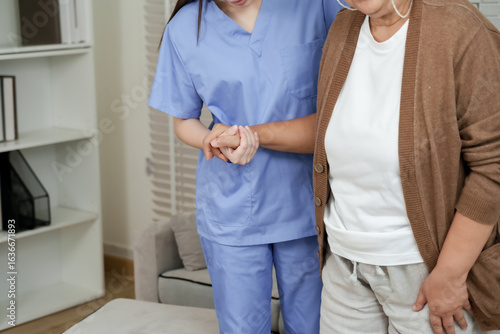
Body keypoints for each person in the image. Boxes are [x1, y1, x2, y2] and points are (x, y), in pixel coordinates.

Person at [208, 0, 500, 333]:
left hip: (425, 271)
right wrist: (250, 136)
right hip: (345, 268)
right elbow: (329, 128)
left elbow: (492, 168)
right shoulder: (345, 27)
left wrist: (449, 274)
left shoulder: (460, 29)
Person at [148, 0, 341, 333]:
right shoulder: (184, 28)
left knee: (313, 325)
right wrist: (209, 138)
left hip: (307, 202)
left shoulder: (314, 5)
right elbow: (183, 120)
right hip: (233, 206)